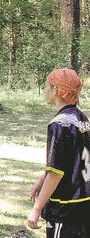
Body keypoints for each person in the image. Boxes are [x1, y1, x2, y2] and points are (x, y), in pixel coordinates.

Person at [27, 68, 90, 237]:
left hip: (66, 208)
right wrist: (41, 180)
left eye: (47, 86)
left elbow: (56, 172)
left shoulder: (60, 124)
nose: (45, 91)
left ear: (56, 90)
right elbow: (64, 160)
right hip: (85, 202)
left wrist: (37, 208)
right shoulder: (82, 118)